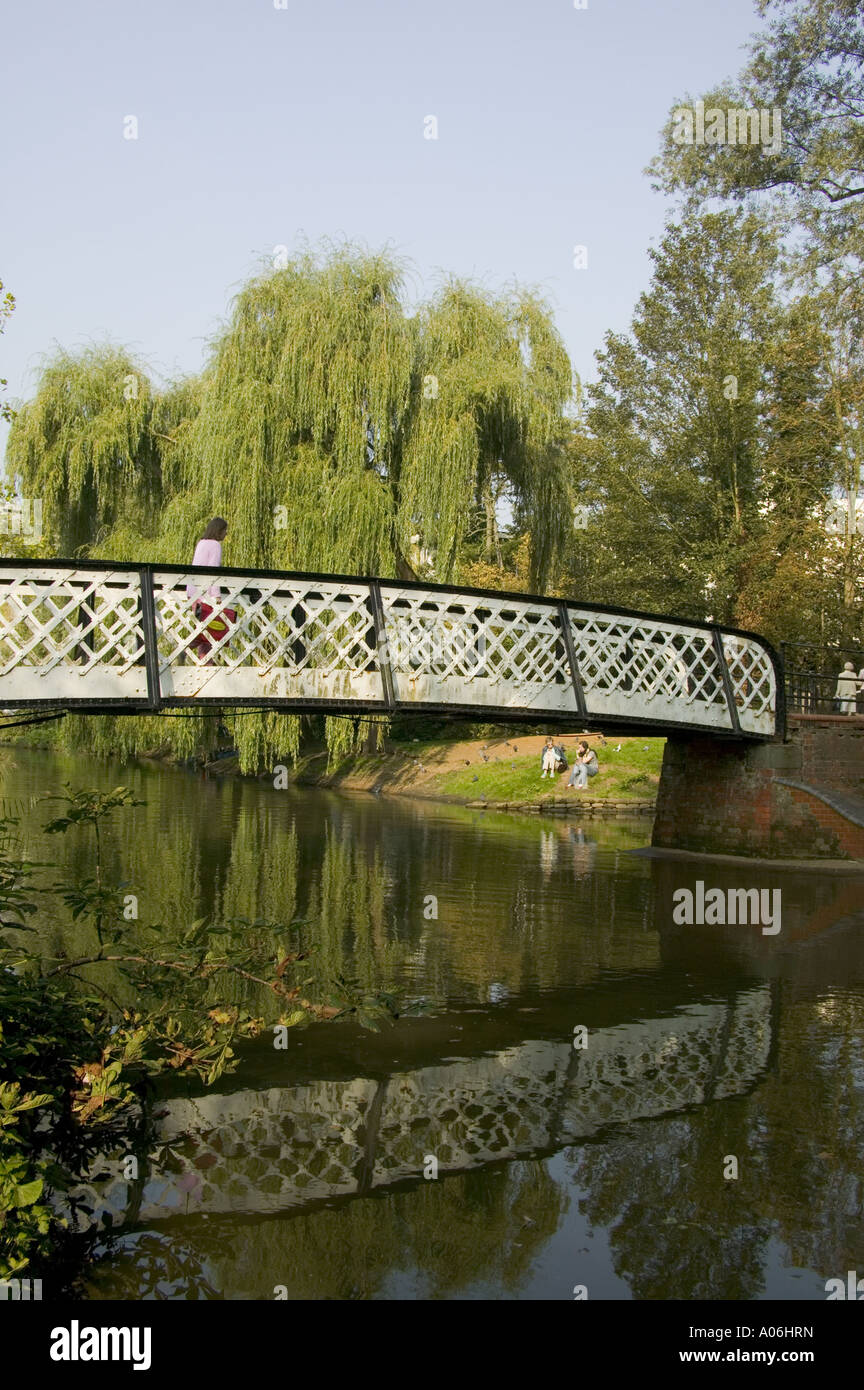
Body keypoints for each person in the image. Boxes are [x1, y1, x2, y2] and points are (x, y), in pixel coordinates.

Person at [187, 517, 232, 662]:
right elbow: (213, 571)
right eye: (225, 530)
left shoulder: (201, 543)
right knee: (209, 631)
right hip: (205, 594)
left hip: (193, 592)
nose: (226, 534)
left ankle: (205, 661)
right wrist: (217, 595)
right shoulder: (215, 545)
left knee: (206, 631)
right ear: (219, 531)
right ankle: (186, 647)